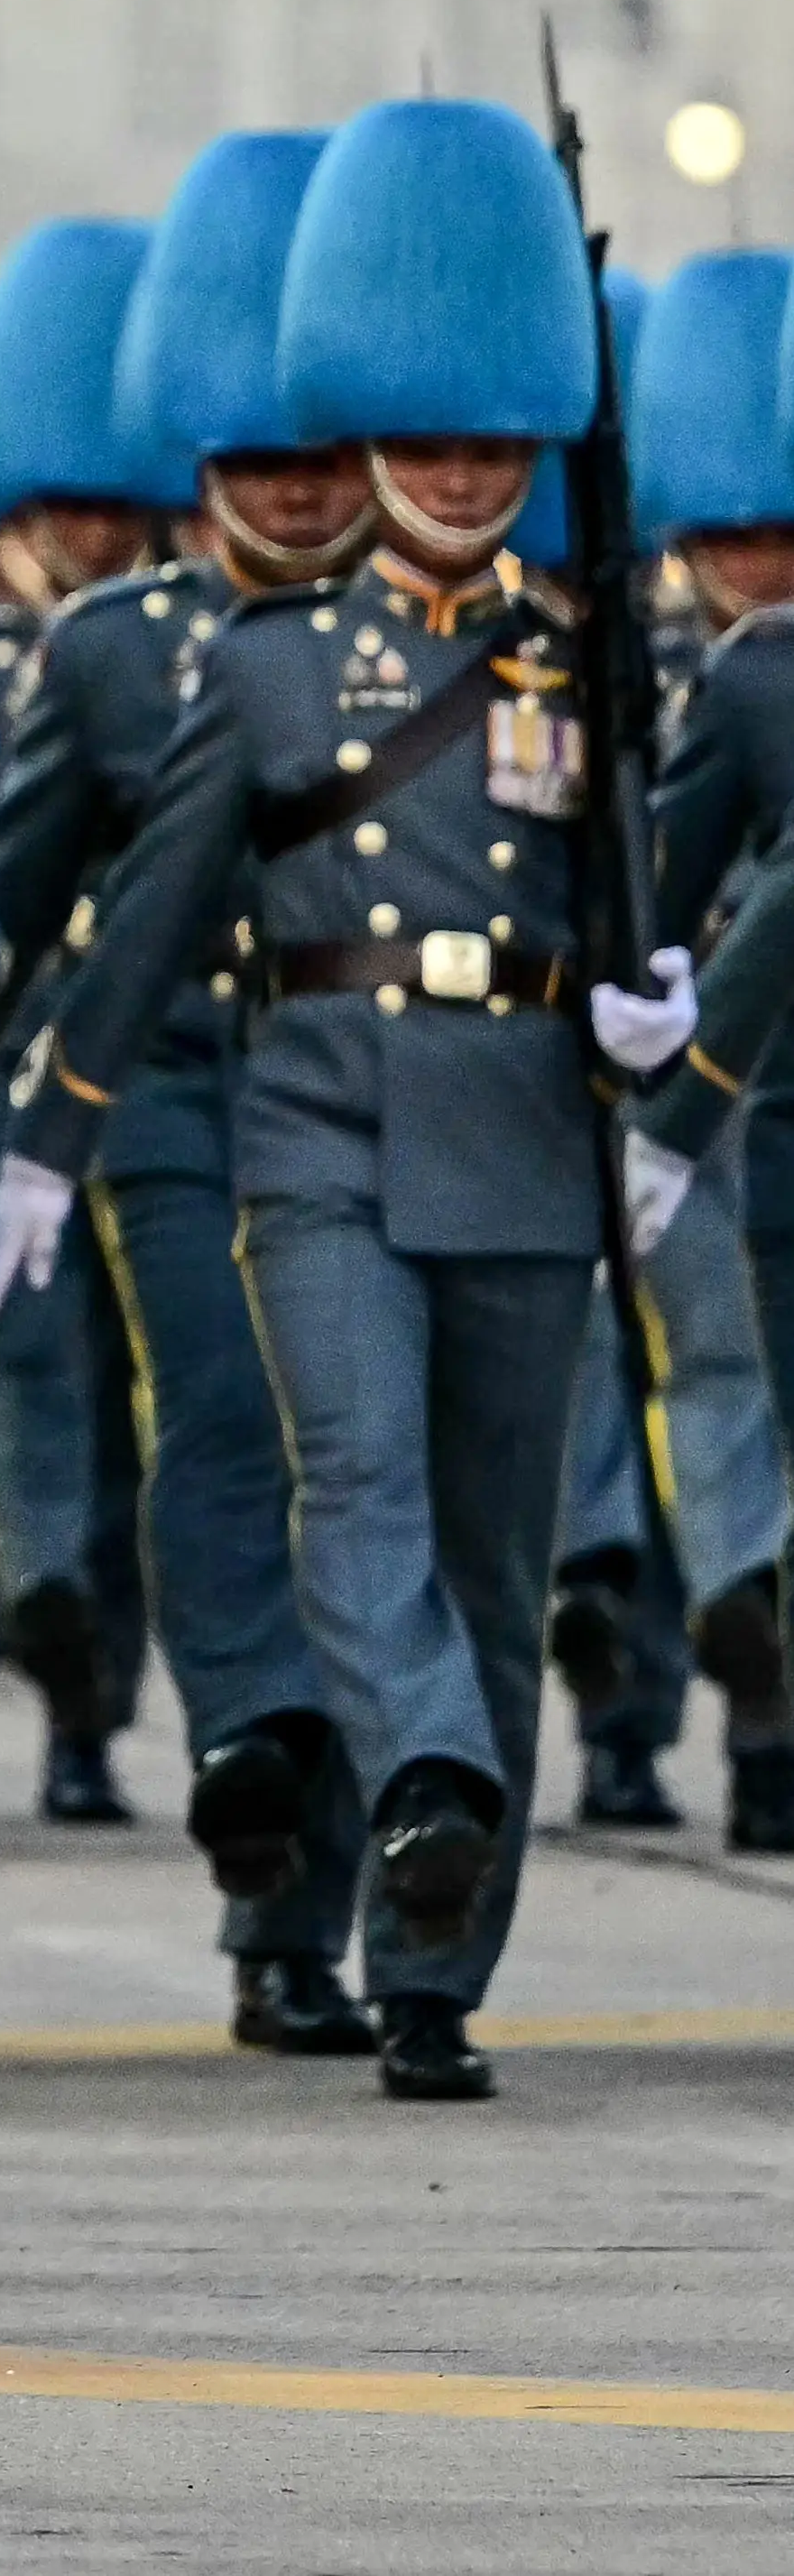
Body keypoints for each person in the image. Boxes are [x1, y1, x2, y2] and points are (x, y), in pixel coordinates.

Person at [0, 97, 691, 2101]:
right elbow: (146, 916)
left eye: (491, 445)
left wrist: (652, 1023)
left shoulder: (583, 661)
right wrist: (45, 1129)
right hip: (313, 1126)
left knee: (491, 1552)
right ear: (367, 443)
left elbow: (635, 896)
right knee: (351, 1477)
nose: (456, 475)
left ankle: (433, 1964)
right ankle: (429, 1776)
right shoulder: (272, 668)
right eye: (424, 441)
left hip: (521, 1130)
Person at [0, 132, 377, 2048]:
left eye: (323, 460)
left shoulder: (444, 652)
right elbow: (15, 898)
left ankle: (312, 1904)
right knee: (220, 1416)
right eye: (257, 461)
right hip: (165, 1085)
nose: (292, 492)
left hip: (374, 1088)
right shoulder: (112, 652)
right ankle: (248, 1744)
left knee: (359, 1470)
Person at [0, 218, 183, 1824]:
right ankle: (55, 1638)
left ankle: (107, 1667)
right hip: (8, 1062)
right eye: (61, 508)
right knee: (27, 1367)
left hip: (153, 1058)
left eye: (111, 507)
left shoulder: (172, 655)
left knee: (147, 1400)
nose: (87, 535)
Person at [609, 250, 794, 1856]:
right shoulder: (716, 676)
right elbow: (652, 893)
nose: (758, 562)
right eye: (730, 535)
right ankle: (751, 1688)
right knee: (720, 1378)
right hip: (723, 1088)